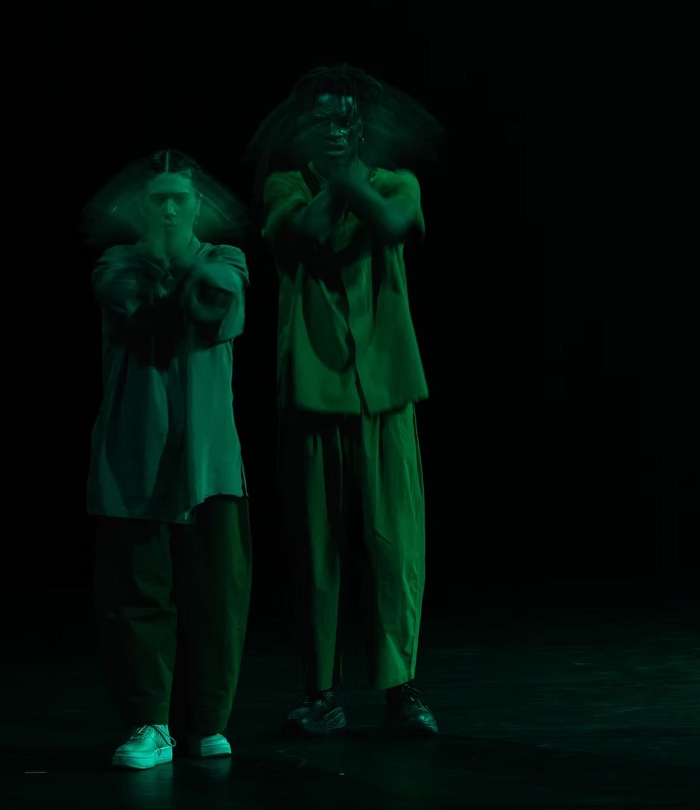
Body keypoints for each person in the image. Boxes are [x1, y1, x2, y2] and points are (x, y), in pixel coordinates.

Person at [247, 64, 444, 738]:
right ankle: (322, 691)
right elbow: (304, 232)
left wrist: (349, 173)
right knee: (315, 548)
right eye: (321, 118)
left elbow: (390, 224)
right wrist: (337, 177)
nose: (333, 128)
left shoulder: (395, 182)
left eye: (345, 118)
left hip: (387, 391)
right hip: (313, 392)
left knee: (396, 545)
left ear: (362, 126)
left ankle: (401, 686)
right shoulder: (284, 187)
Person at [82, 148, 252, 769]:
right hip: (137, 461)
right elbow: (137, 311)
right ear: (141, 209)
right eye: (157, 200)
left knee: (217, 597)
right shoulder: (118, 264)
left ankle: (208, 722)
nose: (170, 210)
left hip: (209, 464)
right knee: (137, 593)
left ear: (199, 206)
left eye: (180, 199)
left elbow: (213, 305)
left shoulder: (226, 259)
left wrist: (179, 254)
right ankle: (149, 722)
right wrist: (158, 253)